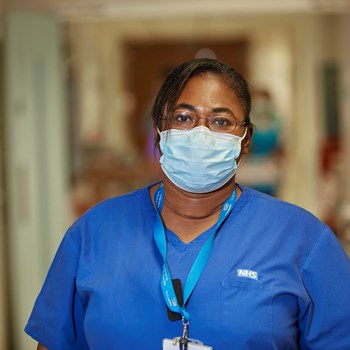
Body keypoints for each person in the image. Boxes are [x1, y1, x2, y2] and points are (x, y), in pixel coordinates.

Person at [25, 58, 350, 350]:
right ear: (159, 133)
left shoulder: (301, 241)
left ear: (245, 140)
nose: (201, 134)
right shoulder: (93, 234)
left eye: (221, 122)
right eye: (183, 117)